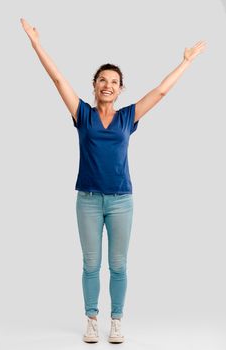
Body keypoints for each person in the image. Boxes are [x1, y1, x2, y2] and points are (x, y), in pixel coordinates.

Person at [20, 18, 206, 343]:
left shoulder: (126, 117)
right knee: (91, 264)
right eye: (102, 80)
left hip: (122, 200)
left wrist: (186, 61)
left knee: (118, 265)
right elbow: (57, 79)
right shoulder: (83, 115)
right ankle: (92, 319)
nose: (108, 84)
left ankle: (116, 320)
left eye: (114, 81)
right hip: (88, 200)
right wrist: (36, 43)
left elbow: (161, 91)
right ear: (94, 86)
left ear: (120, 89)